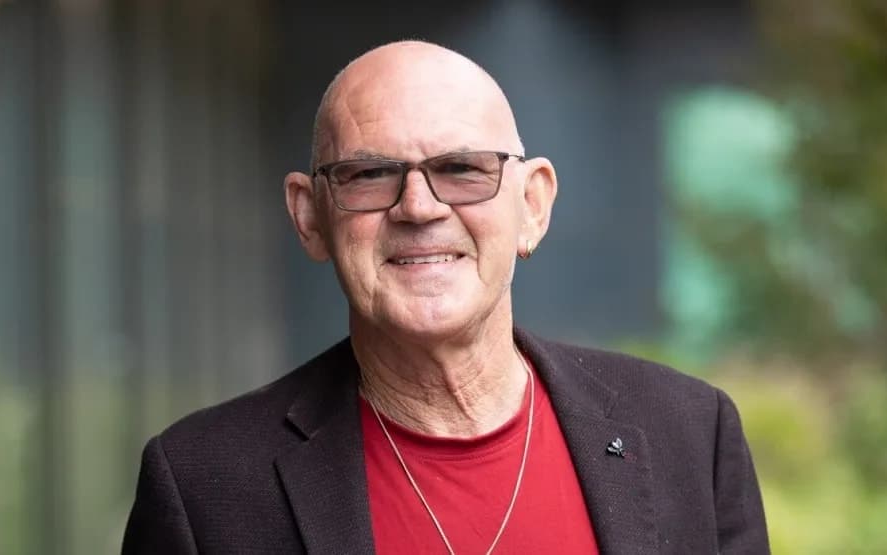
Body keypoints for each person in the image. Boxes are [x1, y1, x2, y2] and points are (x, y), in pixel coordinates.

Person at [122, 40, 769, 554]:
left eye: (461, 168)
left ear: (533, 205)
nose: (419, 207)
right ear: (310, 216)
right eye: (370, 174)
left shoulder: (690, 434)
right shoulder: (204, 486)